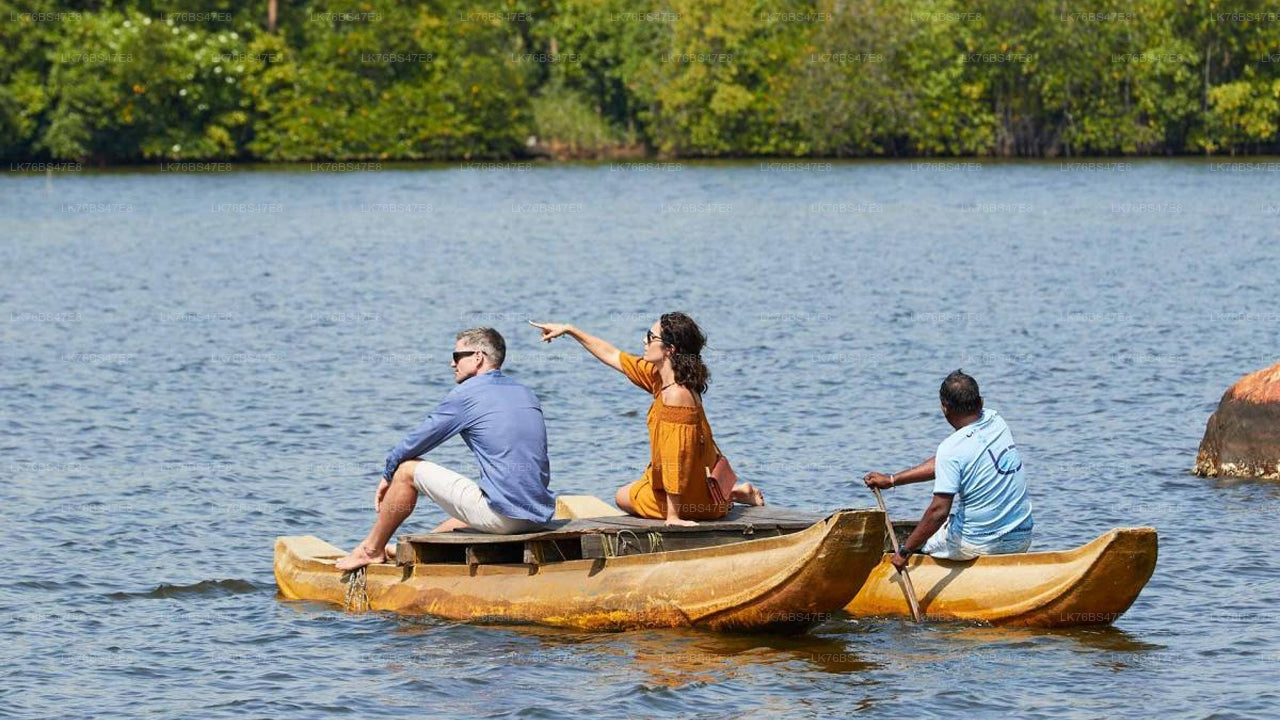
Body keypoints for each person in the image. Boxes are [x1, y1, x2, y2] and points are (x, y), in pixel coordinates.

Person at [335, 327, 554, 571]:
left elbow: (414, 443)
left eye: (457, 355)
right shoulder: (525, 392)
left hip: (505, 518)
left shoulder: (467, 394)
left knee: (407, 470)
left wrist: (388, 475)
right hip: (538, 515)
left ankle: (370, 550)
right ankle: (414, 549)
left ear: (478, 357)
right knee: (463, 513)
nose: (452, 363)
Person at [529, 314, 764, 525]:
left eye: (651, 337)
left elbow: (676, 459)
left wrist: (674, 517)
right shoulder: (661, 379)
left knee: (622, 496)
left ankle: (725, 497)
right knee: (637, 487)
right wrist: (571, 330)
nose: (644, 341)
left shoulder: (676, 395)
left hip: (691, 503)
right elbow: (613, 355)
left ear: (669, 349)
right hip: (701, 491)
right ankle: (731, 494)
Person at [863, 369, 1033, 571]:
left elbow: (938, 512)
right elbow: (948, 462)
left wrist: (904, 552)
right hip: (1022, 536)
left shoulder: (951, 449)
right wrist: (892, 480)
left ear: (945, 409)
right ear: (981, 402)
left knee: (919, 542)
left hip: (977, 544)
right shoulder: (997, 421)